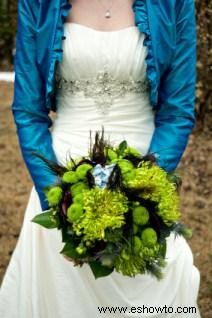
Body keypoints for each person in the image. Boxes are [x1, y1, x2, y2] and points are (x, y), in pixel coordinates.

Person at [0, 0, 201, 317]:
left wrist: (141, 196)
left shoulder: (175, 4)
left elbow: (176, 114)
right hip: (60, 178)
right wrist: (60, 204)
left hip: (145, 174)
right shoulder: (37, 4)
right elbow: (28, 112)